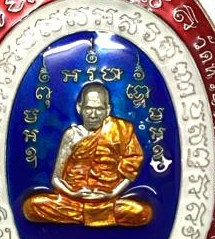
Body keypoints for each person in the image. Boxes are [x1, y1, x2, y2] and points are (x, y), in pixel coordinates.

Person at [22, 82, 152, 227]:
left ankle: (85, 216)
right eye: (88, 108)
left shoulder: (121, 131)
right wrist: (73, 194)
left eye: (99, 109)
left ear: (108, 110)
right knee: (31, 206)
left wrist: (112, 193)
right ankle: (94, 216)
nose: (93, 114)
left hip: (107, 201)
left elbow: (130, 169)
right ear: (79, 108)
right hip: (72, 201)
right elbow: (56, 179)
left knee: (143, 212)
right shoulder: (71, 135)